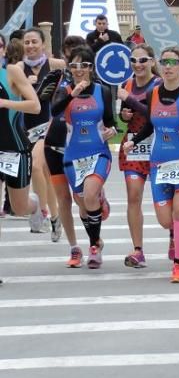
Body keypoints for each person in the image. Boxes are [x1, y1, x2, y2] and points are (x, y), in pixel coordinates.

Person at [122, 46, 179, 282]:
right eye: (164, 62)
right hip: (159, 164)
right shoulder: (152, 93)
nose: (168, 67)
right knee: (166, 220)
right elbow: (149, 125)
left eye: (173, 63)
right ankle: (177, 236)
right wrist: (134, 141)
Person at [51, 46, 117, 269]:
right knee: (82, 203)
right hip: (73, 155)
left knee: (89, 195)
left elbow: (111, 121)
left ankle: (93, 248)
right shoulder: (65, 90)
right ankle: (97, 236)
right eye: (75, 65)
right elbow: (54, 110)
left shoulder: (103, 91)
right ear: (70, 67)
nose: (79, 70)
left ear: (91, 67)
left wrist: (112, 131)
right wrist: (72, 94)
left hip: (98, 152)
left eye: (84, 65)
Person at [17, 27, 66, 236]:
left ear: (43, 44)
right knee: (46, 175)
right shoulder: (18, 68)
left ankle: (42, 212)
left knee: (37, 167)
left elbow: (74, 81)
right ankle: (55, 217)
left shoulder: (56, 65)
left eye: (34, 42)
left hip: (49, 124)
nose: (30, 46)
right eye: (26, 42)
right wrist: (24, 87)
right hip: (25, 126)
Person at [42, 35, 85, 267]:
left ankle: (95, 237)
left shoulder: (94, 81)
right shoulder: (57, 77)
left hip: (81, 148)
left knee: (83, 200)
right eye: (67, 50)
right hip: (54, 145)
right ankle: (74, 248)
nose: (71, 54)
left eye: (76, 51)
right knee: (63, 199)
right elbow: (41, 101)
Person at [116, 44, 161, 268]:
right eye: (133, 60)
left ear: (152, 62)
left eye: (143, 60)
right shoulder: (128, 84)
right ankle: (138, 250)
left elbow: (156, 115)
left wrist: (131, 101)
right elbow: (125, 116)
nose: (138, 65)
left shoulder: (161, 84)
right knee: (133, 197)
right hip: (133, 147)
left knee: (165, 202)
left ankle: (174, 239)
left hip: (159, 146)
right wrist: (124, 114)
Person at [0, 33, 42, 229]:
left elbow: (35, 106)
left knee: (19, 207)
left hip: (14, 147)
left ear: (3, 50)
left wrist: (4, 103)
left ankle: (35, 205)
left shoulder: (11, 72)